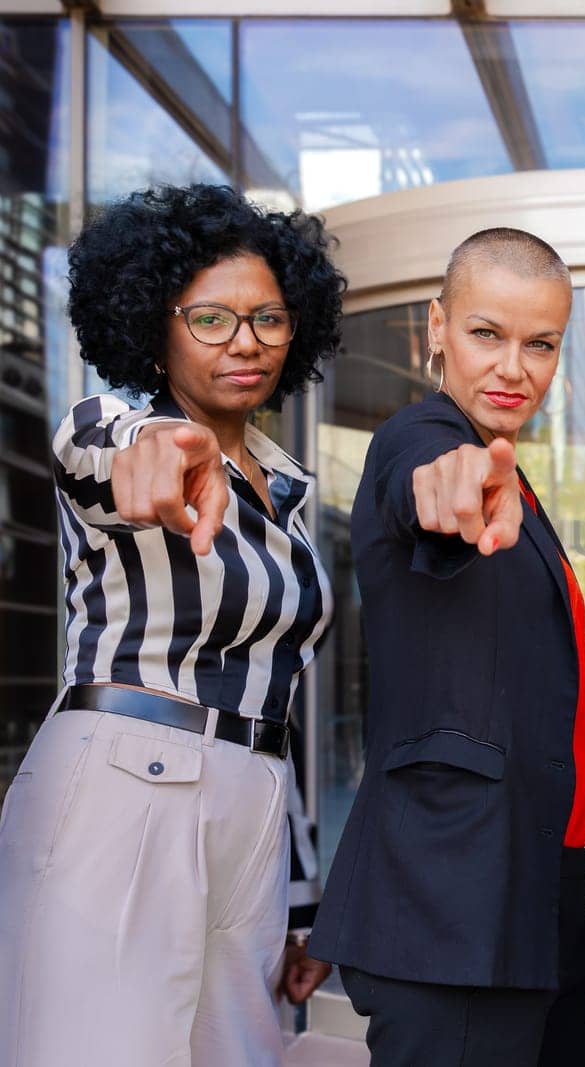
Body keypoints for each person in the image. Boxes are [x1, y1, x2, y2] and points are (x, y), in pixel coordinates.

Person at [0, 183, 343, 1066]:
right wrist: (154, 457)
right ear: (154, 322)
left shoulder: (289, 488)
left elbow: (278, 706)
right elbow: (99, 459)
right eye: (212, 318)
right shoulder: (117, 425)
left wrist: (300, 902)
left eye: (268, 317)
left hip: (252, 804)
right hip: (126, 783)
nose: (246, 342)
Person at [309, 228, 585, 1066]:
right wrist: (445, 489)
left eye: (540, 343)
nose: (515, 366)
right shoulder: (423, 438)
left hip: (535, 895)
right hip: (454, 909)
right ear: (434, 328)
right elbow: (427, 482)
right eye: (487, 334)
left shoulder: (515, 478)